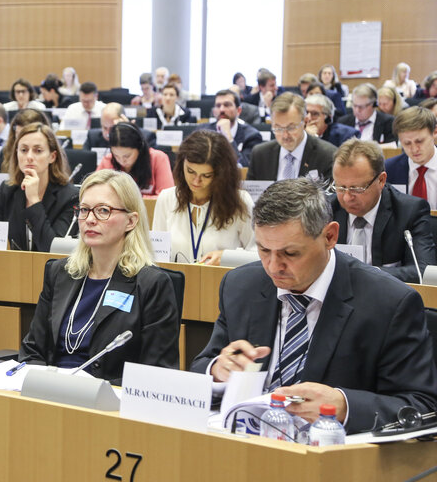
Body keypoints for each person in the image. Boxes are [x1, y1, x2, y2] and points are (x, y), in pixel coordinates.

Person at [190, 178, 437, 434]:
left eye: (291, 253)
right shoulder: (241, 286)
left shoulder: (389, 302)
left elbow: (423, 406)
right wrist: (219, 370)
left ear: (330, 236)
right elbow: (202, 366)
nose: (274, 267)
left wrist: (344, 406)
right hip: (247, 444)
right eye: (264, 250)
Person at [19, 169, 180, 383]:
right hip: (51, 395)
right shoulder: (59, 273)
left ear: (131, 221)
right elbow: (32, 351)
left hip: (109, 403)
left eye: (103, 210)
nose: (90, 219)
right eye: (84, 210)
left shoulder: (151, 284)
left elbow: (156, 374)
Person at [332, 138, 436, 283]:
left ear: (381, 180)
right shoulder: (327, 209)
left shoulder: (409, 211)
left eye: (357, 189)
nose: (348, 197)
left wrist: (366, 274)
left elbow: (424, 271)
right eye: (341, 187)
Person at [153, 130, 255, 264]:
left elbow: (257, 254)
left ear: (221, 174)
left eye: (206, 176)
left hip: (221, 281)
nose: (196, 181)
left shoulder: (240, 201)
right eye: (190, 171)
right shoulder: (166, 198)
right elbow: (156, 254)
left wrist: (227, 257)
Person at [0, 123, 77, 251]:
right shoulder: (7, 189)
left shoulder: (70, 197)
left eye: (38, 151)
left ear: (52, 156)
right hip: (10, 266)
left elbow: (52, 249)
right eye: (23, 150)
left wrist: (34, 201)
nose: (29, 157)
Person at [247, 92, 337, 182]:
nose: (285, 135)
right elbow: (251, 195)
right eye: (278, 128)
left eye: (291, 128)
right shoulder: (260, 154)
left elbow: (330, 195)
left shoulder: (327, 155)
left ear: (305, 121)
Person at [96, 122, 173, 197]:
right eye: (116, 156)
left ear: (140, 148)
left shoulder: (158, 158)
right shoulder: (107, 161)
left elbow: (166, 198)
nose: (122, 161)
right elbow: (96, 192)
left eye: (127, 156)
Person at [385, 107, 437, 209]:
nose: (414, 149)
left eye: (419, 141)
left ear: (434, 132)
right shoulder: (389, 169)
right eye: (407, 143)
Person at [196, 89, 263, 167]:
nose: (222, 110)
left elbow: (244, 165)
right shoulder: (201, 132)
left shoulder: (252, 135)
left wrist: (228, 137)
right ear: (214, 111)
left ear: (238, 110)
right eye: (218, 106)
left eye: (227, 105)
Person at [0, 108, 50, 174]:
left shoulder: (51, 152)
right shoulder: (6, 151)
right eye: (19, 135)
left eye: (38, 151)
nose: (23, 141)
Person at [84, 102, 157, 150]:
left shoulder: (146, 137)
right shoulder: (92, 137)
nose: (108, 133)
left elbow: (146, 163)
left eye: (112, 128)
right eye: (105, 128)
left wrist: (128, 135)